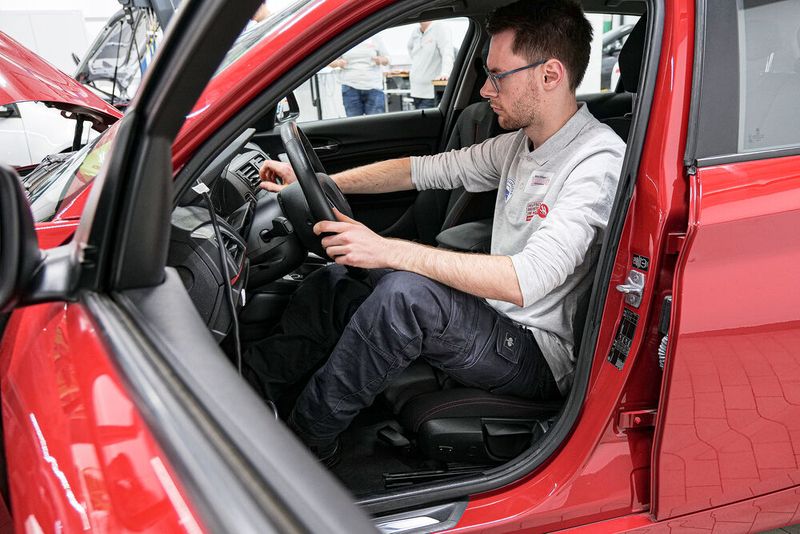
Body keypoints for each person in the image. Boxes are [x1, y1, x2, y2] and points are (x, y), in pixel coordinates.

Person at [248, 0, 626, 464]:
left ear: (550, 75)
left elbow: (524, 281)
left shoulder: (597, 162)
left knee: (404, 296)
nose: (485, 89)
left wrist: (388, 250)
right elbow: (421, 170)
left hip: (536, 351)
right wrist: (316, 179)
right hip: (493, 314)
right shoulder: (520, 145)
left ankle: (306, 441)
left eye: (498, 75)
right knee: (338, 280)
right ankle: (250, 391)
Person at [330, 37, 390, 116]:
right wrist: (338, 63)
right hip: (350, 86)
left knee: (376, 122)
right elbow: (330, 61)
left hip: (374, 86)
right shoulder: (343, 38)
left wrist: (380, 60)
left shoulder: (375, 38)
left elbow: (387, 59)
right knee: (354, 122)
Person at [407, 21, 454, 109]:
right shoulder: (415, 32)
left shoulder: (440, 28)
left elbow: (447, 54)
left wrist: (445, 73)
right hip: (415, 90)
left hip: (430, 93)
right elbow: (410, 49)